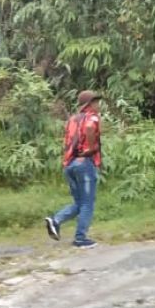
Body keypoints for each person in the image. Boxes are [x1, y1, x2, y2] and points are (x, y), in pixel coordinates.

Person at [44, 90, 103, 248]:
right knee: (87, 204)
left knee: (79, 202)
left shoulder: (72, 119)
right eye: (96, 101)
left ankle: (55, 221)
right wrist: (91, 148)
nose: (98, 105)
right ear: (89, 104)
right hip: (84, 163)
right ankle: (80, 238)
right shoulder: (92, 116)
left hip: (70, 164)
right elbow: (90, 128)